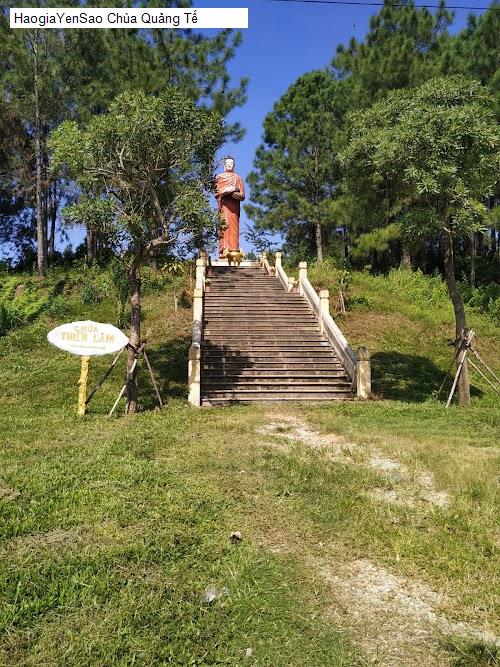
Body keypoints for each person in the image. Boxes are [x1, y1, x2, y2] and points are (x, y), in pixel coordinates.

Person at [215, 156, 245, 258]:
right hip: (224, 207)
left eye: (231, 163)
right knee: (224, 226)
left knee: (233, 228)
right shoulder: (219, 178)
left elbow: (242, 195)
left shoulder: (238, 178)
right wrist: (225, 191)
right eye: (227, 163)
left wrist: (233, 190)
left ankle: (234, 250)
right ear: (224, 165)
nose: (229, 165)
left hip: (234, 209)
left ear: (234, 165)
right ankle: (224, 251)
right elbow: (217, 193)